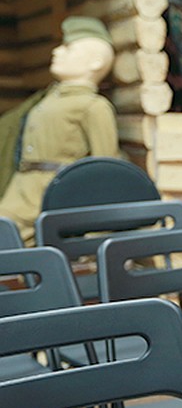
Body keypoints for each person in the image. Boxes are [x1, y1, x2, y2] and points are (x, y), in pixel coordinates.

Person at [0, 16, 119, 243]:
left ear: (95, 62)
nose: (57, 52)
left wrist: (98, 232)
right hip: (19, 190)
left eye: (68, 48)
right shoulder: (44, 100)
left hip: (50, 196)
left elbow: (105, 168)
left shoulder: (93, 106)